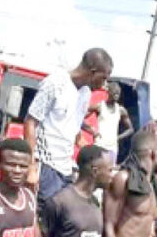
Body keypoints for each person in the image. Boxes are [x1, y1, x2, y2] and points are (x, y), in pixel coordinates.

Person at [24, 48, 113, 205]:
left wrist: (95, 153)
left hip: (66, 170)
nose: (104, 85)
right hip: (45, 166)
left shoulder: (85, 93)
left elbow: (72, 128)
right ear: (93, 72)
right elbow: (31, 122)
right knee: (43, 217)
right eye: (103, 78)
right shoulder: (56, 83)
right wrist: (31, 168)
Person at [38, 145, 117, 237]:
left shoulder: (95, 203)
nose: (112, 176)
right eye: (109, 170)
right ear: (95, 171)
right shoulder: (60, 202)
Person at [92, 80, 134, 163]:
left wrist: (118, 137)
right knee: (98, 169)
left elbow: (130, 129)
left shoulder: (121, 110)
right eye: (114, 91)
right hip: (99, 144)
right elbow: (82, 116)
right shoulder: (100, 106)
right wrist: (91, 129)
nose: (116, 94)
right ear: (108, 91)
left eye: (118, 92)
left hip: (112, 147)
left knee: (109, 170)